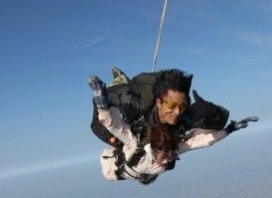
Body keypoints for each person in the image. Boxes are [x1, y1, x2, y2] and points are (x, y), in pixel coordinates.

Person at [89, 75, 257, 184]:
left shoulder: (136, 149)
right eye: (168, 155)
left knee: (102, 128)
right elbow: (201, 142)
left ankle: (118, 89)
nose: (168, 158)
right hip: (141, 156)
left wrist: (102, 106)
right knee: (182, 119)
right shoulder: (169, 153)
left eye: (166, 155)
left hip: (125, 157)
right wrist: (229, 129)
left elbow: (116, 126)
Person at [90, 67, 230, 150]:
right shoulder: (137, 108)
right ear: (159, 103)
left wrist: (210, 110)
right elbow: (97, 126)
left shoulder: (183, 115)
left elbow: (221, 119)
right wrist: (103, 108)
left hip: (148, 125)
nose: (177, 112)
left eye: (181, 106)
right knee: (120, 93)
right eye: (171, 105)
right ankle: (120, 80)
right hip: (121, 96)